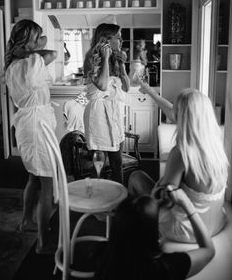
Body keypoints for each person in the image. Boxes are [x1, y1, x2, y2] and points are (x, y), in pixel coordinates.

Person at [128, 83, 229, 243]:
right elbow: (170, 109)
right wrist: (149, 92)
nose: (174, 113)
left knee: (136, 177)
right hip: (214, 224)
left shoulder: (182, 152)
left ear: (183, 117)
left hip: (188, 230)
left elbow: (164, 200)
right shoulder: (216, 147)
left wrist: (160, 184)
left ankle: (142, 235)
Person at [5, 19, 58, 254]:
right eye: (36, 38)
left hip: (29, 124)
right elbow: (52, 52)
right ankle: (43, 242)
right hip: (36, 127)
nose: (41, 40)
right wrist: (32, 49)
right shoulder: (30, 63)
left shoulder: (14, 66)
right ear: (26, 44)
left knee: (33, 178)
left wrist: (27, 47)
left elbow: (45, 46)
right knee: (47, 181)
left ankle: (27, 220)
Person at [94, 188, 215, 280]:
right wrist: (187, 204)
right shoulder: (165, 268)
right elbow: (208, 250)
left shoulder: (101, 253)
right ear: (153, 232)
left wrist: (149, 203)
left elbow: (133, 221)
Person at [83, 23, 130, 183]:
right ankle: (98, 198)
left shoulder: (116, 57)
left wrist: (122, 64)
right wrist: (105, 58)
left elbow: (126, 87)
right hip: (98, 117)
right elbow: (102, 86)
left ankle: (119, 197)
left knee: (117, 162)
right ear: (107, 40)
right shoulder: (92, 58)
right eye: (118, 37)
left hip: (114, 115)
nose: (122, 40)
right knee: (99, 164)